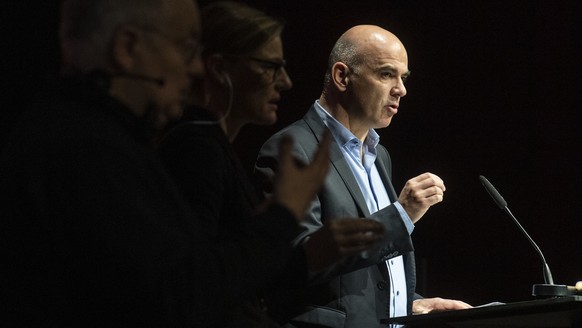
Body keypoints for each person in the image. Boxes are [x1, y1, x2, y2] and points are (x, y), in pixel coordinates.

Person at [0, 0, 343, 326]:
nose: (195, 67)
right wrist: (281, 216)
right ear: (127, 48)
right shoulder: (87, 147)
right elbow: (185, 295)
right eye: (186, 47)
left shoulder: (79, 132)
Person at [157, 2, 386, 326]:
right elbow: (196, 286)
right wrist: (291, 231)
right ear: (220, 68)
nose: (285, 82)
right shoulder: (196, 150)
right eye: (270, 66)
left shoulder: (213, 148)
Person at [255, 25, 472, 328]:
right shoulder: (293, 150)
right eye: (386, 74)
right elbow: (296, 262)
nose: (401, 89)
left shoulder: (379, 155)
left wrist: (410, 305)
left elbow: (356, 278)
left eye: (403, 78)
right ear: (342, 77)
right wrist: (400, 215)